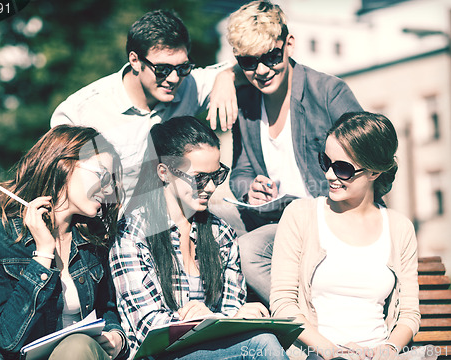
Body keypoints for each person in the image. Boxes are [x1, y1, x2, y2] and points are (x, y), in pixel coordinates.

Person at [109, 116, 288, 360]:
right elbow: (146, 326)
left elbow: (229, 308)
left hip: (212, 349)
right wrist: (208, 321)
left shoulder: (220, 232)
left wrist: (232, 317)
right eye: (199, 178)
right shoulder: (133, 231)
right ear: (163, 172)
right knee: (263, 345)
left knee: (265, 339)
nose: (211, 187)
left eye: (217, 175)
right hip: (158, 355)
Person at [224, 0, 363, 306]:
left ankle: (304, 319)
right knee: (207, 214)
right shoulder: (246, 103)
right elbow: (241, 171)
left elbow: (368, 164)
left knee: (248, 251)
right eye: (248, 62)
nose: (261, 70)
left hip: (325, 219)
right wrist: (250, 189)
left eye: (271, 57)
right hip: (273, 217)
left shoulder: (328, 92)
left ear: (289, 44)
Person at [0, 125, 128, 360]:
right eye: (102, 176)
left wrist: (116, 337)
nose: (109, 189)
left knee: (78, 346)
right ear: (64, 164)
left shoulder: (91, 238)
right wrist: (43, 254)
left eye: (112, 181)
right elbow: (7, 338)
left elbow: (106, 309)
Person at [270, 112, 420, 360]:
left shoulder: (400, 228)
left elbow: (409, 313)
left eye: (342, 168)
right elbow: (283, 305)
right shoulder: (301, 215)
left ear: (374, 172)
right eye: (326, 162)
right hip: (318, 355)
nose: (329, 175)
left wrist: (389, 349)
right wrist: (333, 352)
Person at [51, 9, 239, 204]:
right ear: (135, 60)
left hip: (169, 223)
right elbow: (57, 182)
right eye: (162, 69)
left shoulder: (189, 85)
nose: (174, 78)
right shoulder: (81, 111)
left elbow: (248, 65)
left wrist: (226, 76)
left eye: (183, 68)